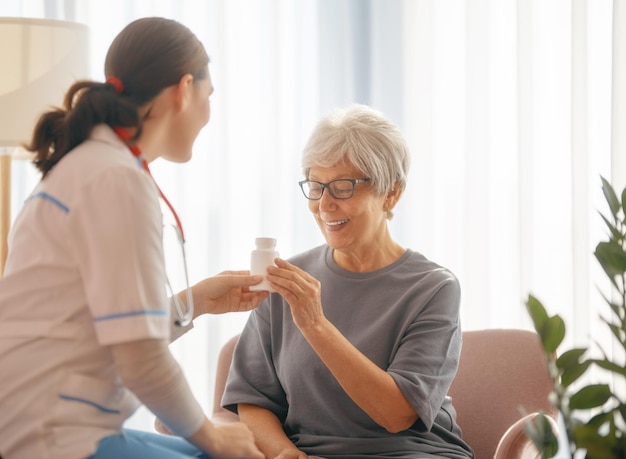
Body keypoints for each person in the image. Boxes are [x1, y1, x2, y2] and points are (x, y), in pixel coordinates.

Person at [0, 17, 266, 459]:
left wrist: (196, 300)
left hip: (40, 419)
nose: (209, 111)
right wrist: (212, 434)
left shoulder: (93, 166)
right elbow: (140, 359)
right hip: (53, 436)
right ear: (184, 90)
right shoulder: (116, 180)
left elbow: (115, 328)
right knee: (218, 452)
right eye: (209, 96)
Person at [221, 104, 475, 459]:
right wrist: (284, 454)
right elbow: (252, 399)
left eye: (343, 187)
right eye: (316, 185)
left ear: (392, 193)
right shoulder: (288, 279)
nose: (324, 205)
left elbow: (396, 414)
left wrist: (315, 325)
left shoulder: (433, 288)